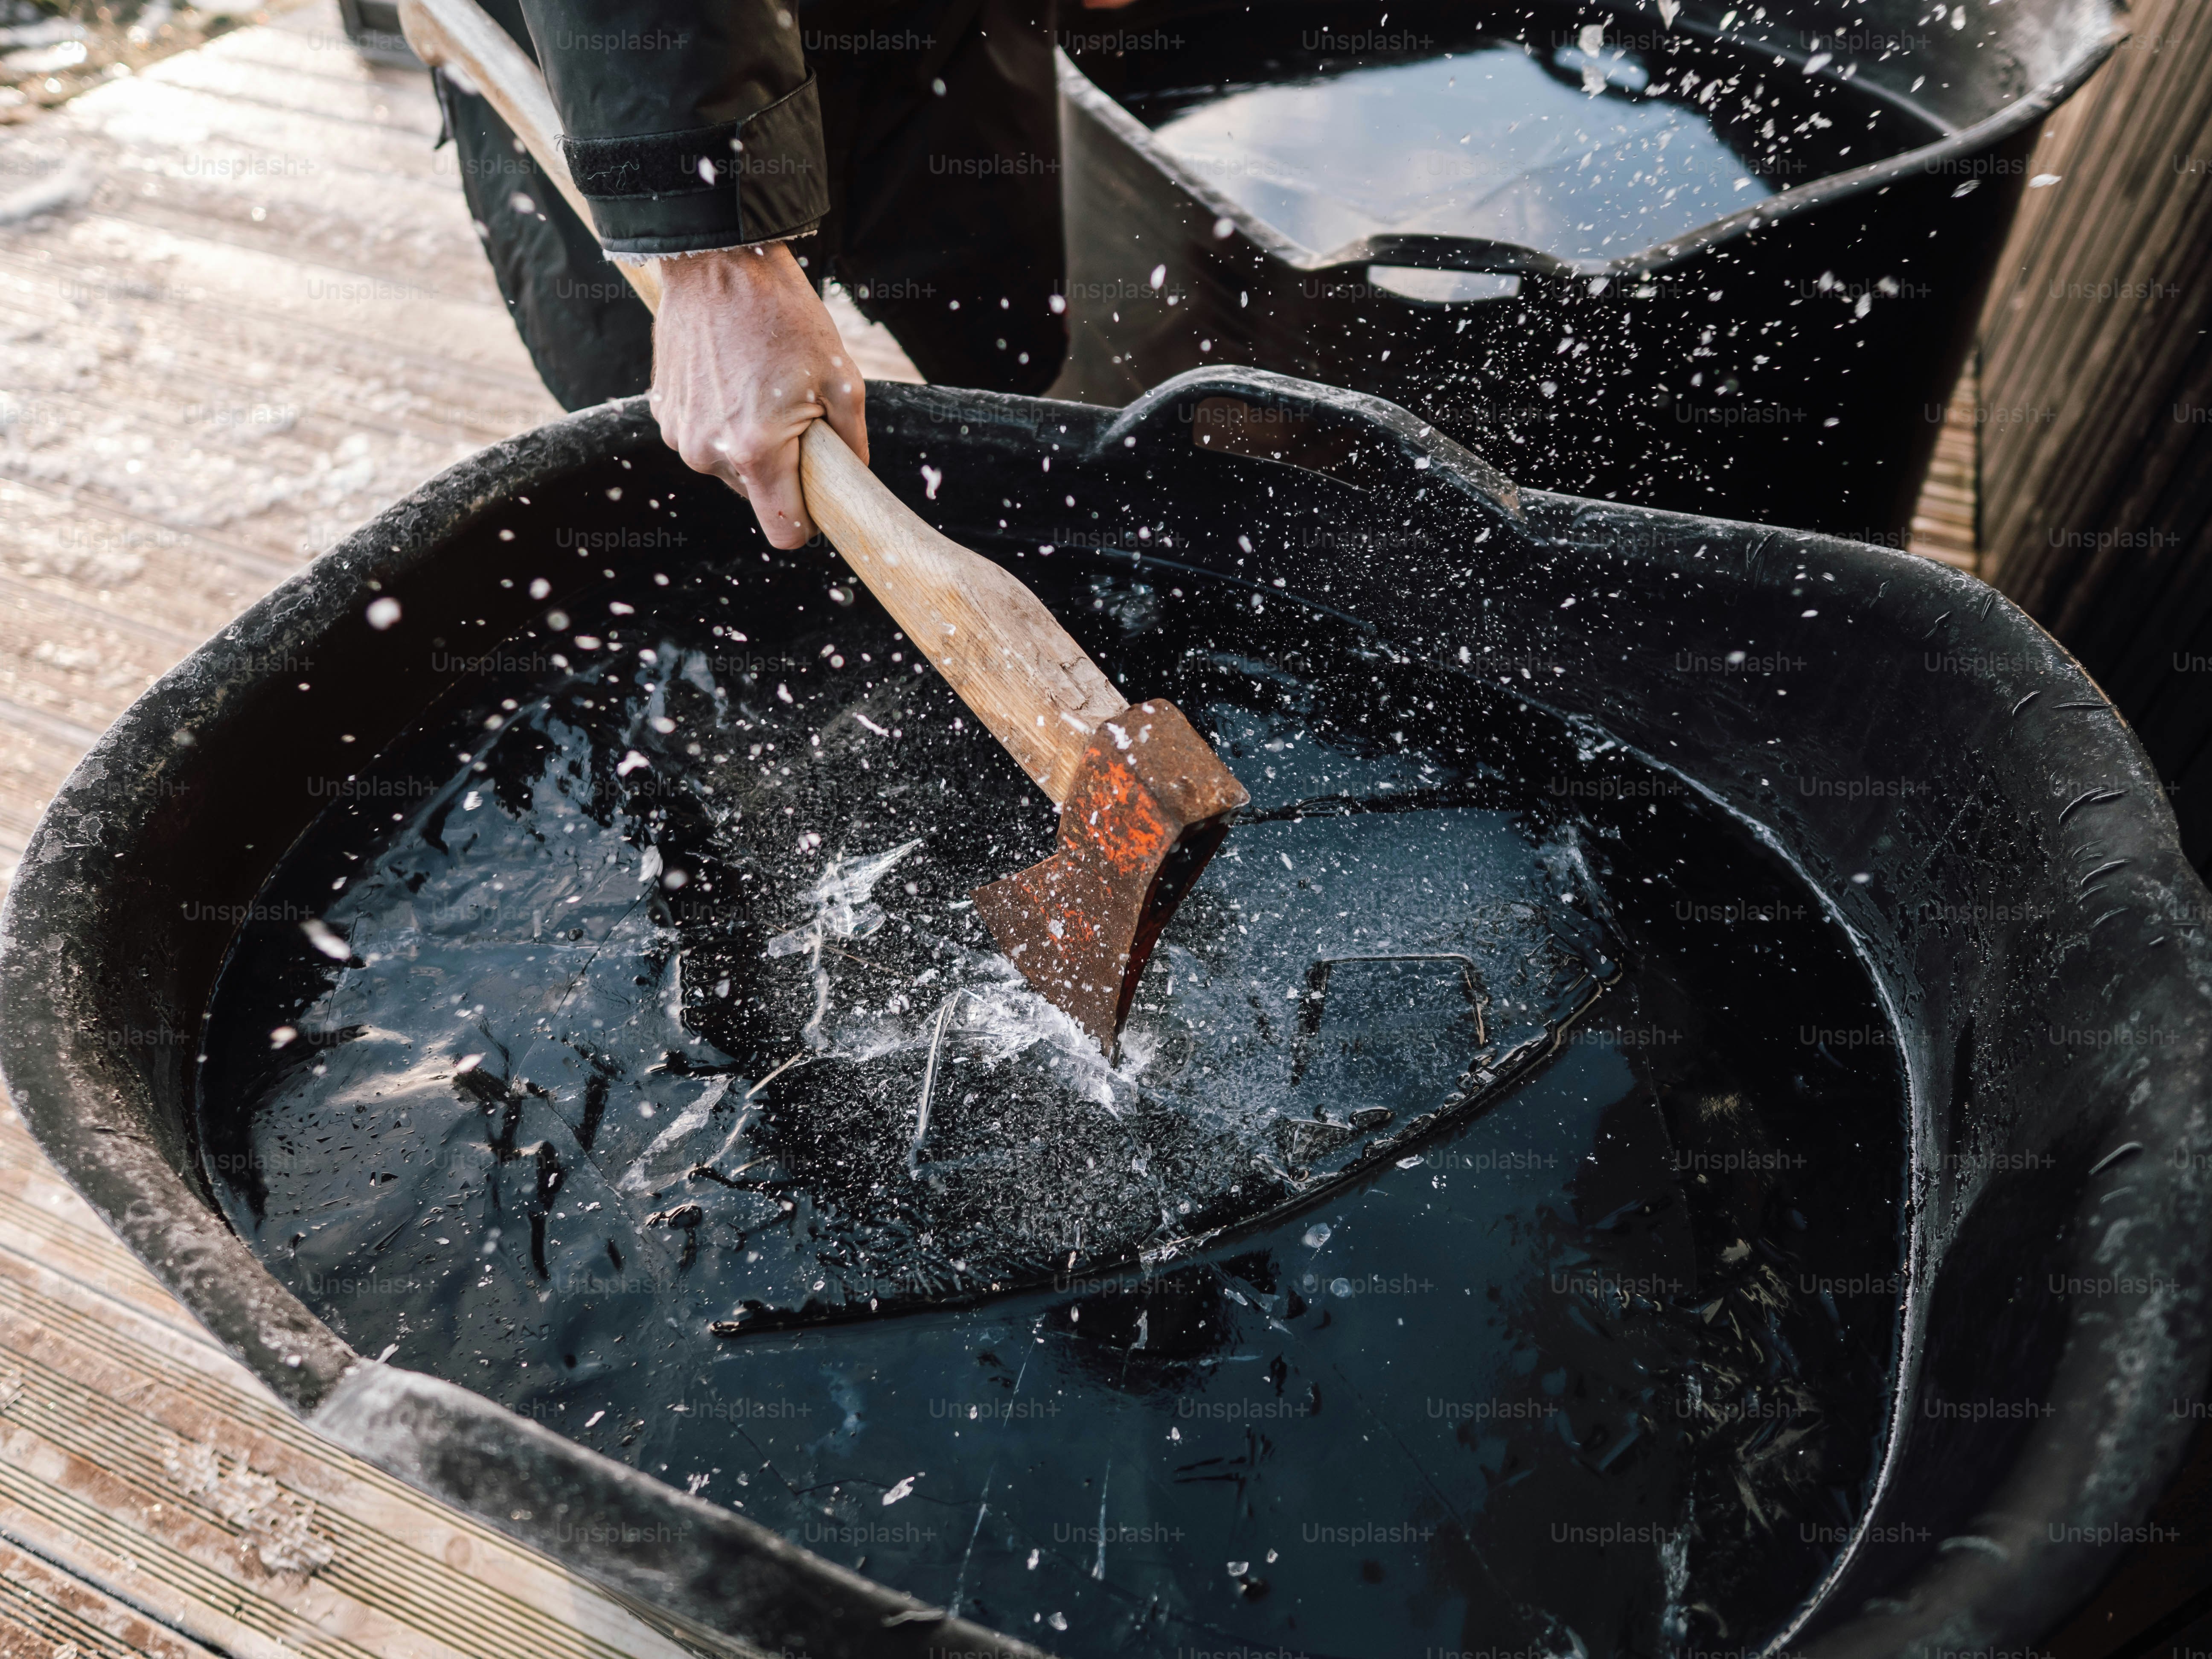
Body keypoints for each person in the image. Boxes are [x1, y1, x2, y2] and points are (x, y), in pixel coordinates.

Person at [432, 0, 1089, 547]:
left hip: (941, 35)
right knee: (690, 439)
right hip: (630, 71)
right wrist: (709, 251)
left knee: (998, 337)